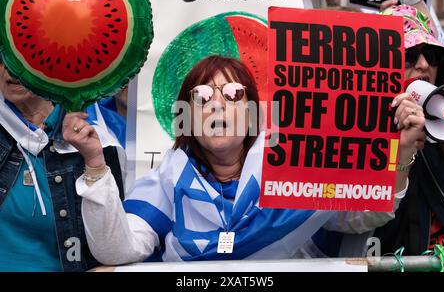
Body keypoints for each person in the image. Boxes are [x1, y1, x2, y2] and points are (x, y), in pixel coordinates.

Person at [63, 54, 424, 264]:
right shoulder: (168, 178)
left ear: (253, 113)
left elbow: (365, 215)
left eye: (233, 92)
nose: (217, 102)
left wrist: (403, 151)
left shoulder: (293, 166)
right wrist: (95, 164)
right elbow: (115, 249)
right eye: (202, 95)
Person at [0, 57, 125, 272]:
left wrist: (93, 161)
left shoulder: (98, 142)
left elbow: (113, 249)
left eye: (19, 58)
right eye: (1, 61)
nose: (8, 72)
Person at [373, 4, 444, 255]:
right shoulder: (355, 134)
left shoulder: (442, 120)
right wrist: (402, 154)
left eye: (433, 55)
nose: (424, 65)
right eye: (410, 55)